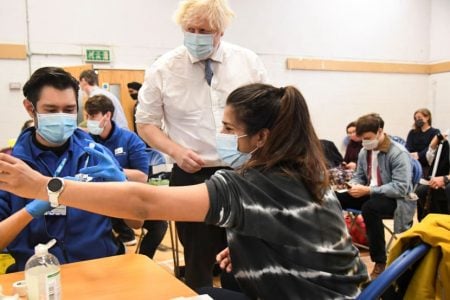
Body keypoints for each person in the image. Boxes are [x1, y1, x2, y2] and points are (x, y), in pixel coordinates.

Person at [0, 83, 368, 299]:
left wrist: (47, 188)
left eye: (227, 129)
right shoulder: (306, 173)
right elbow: (301, 233)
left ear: (261, 137)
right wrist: (251, 245)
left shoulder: (250, 185)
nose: (220, 137)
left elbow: (143, 202)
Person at [135, 0, 267, 289]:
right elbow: (145, 123)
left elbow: (270, 113)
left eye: (204, 30)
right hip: (192, 175)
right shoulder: (164, 68)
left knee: (243, 255)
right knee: (197, 259)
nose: (195, 36)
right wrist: (175, 151)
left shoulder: (247, 62)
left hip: (244, 173)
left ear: (220, 30)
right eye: (189, 29)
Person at [0, 67, 137, 272]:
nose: (62, 117)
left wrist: (124, 186)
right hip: (37, 276)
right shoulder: (11, 166)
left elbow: (136, 222)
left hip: (100, 270)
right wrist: (30, 211)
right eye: (51, 110)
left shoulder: (96, 155)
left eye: (69, 109)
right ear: (30, 108)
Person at [84, 95, 167, 256]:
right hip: (96, 198)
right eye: (87, 116)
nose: (89, 121)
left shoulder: (129, 139)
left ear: (107, 116)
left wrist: (115, 172)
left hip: (125, 196)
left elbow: (142, 176)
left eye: (93, 116)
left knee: (159, 225)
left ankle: (143, 259)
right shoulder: (86, 139)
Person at [336, 113, 415, 280]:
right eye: (362, 139)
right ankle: (338, 249)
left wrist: (369, 191)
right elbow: (359, 176)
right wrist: (353, 185)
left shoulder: (398, 153)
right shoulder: (365, 151)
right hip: (370, 193)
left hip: (396, 199)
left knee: (370, 209)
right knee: (335, 198)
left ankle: (379, 262)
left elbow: (401, 188)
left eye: (367, 138)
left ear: (380, 131)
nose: (364, 142)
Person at [416, 132, 450, 221]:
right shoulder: (446, 139)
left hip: (447, 180)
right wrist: (434, 142)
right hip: (445, 178)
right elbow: (430, 161)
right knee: (422, 190)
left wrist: (446, 178)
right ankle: (435, 225)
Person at [405, 108, 440, 177]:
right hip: (413, 162)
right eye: (416, 118)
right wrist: (410, 155)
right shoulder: (412, 132)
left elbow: (431, 147)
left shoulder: (435, 132)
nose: (417, 120)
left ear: (427, 117)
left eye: (419, 117)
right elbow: (408, 146)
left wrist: (419, 155)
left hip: (427, 164)